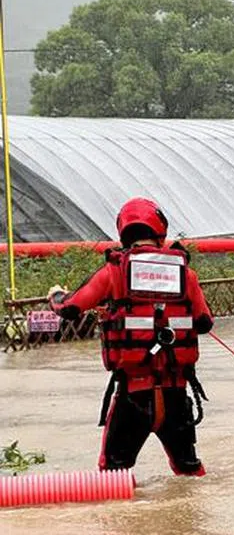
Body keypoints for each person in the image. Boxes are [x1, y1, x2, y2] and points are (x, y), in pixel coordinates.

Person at [47, 198, 213, 476]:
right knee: (189, 473)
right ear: (160, 229)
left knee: (113, 476)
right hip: (176, 395)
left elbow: (69, 308)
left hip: (134, 396)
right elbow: (205, 323)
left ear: (123, 231)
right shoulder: (186, 274)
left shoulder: (113, 272)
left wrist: (55, 296)